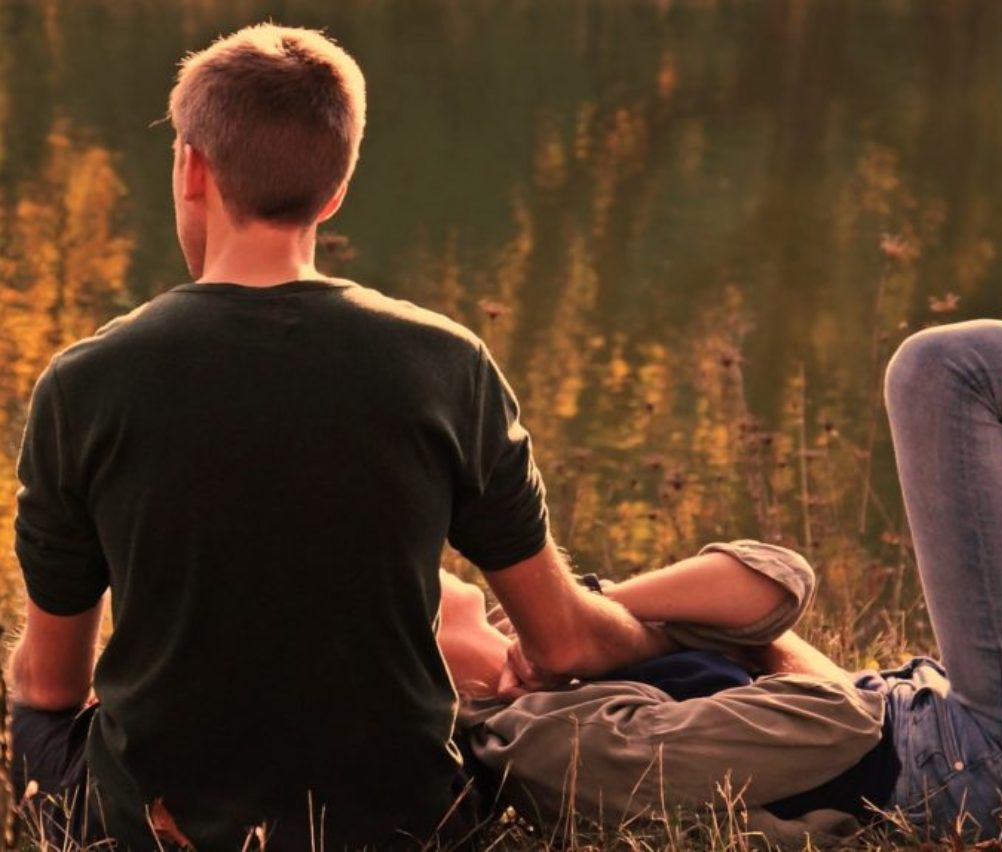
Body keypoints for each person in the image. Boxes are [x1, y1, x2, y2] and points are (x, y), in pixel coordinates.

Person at [6, 23, 673, 850]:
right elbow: (563, 640)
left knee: (34, 713)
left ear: (190, 168)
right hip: (407, 821)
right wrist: (658, 633)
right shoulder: (445, 362)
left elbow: (51, 680)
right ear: (335, 192)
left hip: (156, 825)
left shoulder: (85, 383)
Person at [447, 277, 1002, 846]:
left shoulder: (565, 658)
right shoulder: (537, 744)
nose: (444, 582)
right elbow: (828, 723)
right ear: (433, 670)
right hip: (997, 772)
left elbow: (775, 581)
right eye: (427, 599)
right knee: (936, 373)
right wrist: (631, 651)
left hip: (978, 723)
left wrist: (592, 622)